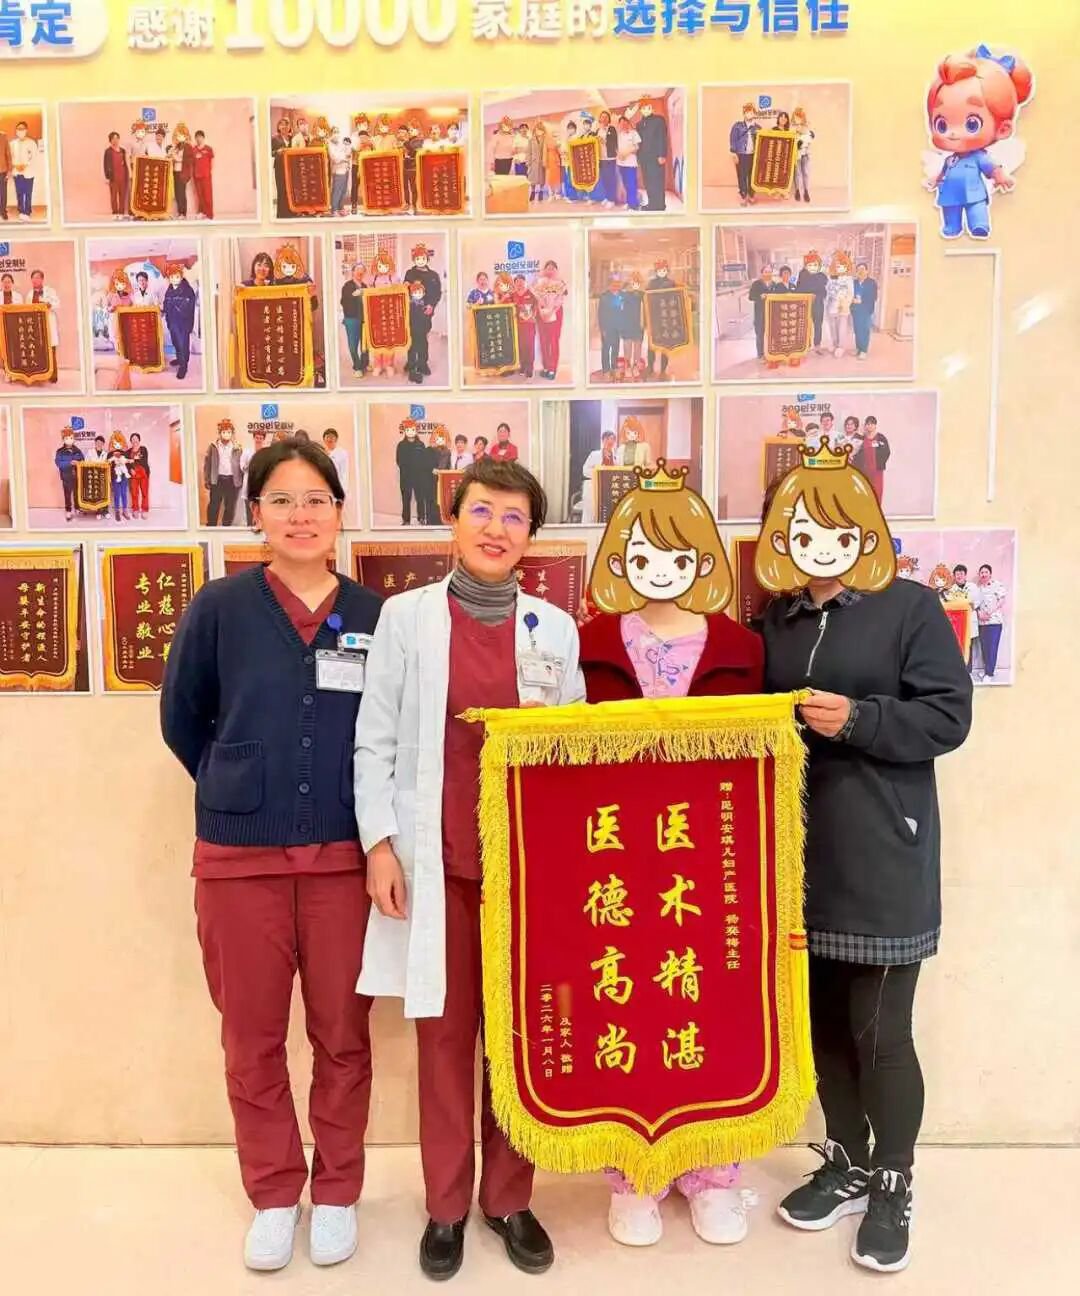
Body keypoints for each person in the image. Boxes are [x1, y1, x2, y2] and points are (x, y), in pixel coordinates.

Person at [353, 457, 583, 1280]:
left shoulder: (554, 630)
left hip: (525, 873)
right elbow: (375, 738)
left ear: (531, 538)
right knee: (445, 1043)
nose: (496, 529)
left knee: (519, 1042)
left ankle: (510, 1199)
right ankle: (446, 1207)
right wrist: (380, 844)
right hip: (436, 866)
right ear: (453, 521)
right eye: (481, 511)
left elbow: (574, 749)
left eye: (514, 517)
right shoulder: (406, 618)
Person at [161, 438, 381, 1273]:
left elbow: (388, 732)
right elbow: (183, 719)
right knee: (251, 1042)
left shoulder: (373, 614)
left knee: (343, 1039)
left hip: (344, 863)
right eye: (281, 500)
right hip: (238, 862)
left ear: (338, 514)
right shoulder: (219, 607)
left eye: (316, 499)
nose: (300, 516)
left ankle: (337, 1192)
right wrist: (240, 782)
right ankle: (274, 1194)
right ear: (255, 515)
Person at [755, 441, 972, 1275]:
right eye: (802, 525)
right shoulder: (775, 618)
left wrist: (860, 720)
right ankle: (846, 1161)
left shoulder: (908, 607)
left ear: (864, 528)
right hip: (796, 864)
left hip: (885, 856)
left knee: (880, 1035)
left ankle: (893, 1180)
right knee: (820, 1033)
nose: (819, 540)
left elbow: (948, 717)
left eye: (836, 524)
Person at [579, 464, 764, 1246]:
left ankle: (713, 1173)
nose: (661, 568)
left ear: (702, 560)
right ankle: (634, 1175)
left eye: (678, 554)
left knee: (712, 1006)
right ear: (620, 559)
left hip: (713, 859)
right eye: (643, 553)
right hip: (617, 857)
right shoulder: (587, 642)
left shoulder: (743, 647)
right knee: (626, 1005)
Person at [925, 48, 1033, 239]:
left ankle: (979, 223)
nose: (952, 133)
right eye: (942, 125)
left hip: (973, 192)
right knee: (950, 209)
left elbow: (992, 168)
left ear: (1003, 129)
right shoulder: (950, 160)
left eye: (971, 124)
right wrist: (935, 179)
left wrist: (1001, 177)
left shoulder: (979, 158)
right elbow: (943, 172)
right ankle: (952, 226)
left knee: (976, 207)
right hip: (950, 192)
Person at [403, 244, 442, 378]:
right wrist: (405, 286)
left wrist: (431, 305)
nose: (420, 260)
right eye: (417, 258)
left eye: (423, 258)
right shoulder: (410, 273)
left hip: (426, 312)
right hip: (411, 312)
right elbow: (405, 290)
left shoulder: (433, 275)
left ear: (427, 259)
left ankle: (422, 363)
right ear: (414, 259)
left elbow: (437, 293)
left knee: (422, 338)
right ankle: (411, 363)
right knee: (412, 338)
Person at [205, 418, 244, 526]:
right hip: (217, 479)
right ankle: (211, 525)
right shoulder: (213, 446)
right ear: (220, 432)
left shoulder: (237, 447)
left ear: (232, 433)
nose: (226, 434)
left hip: (232, 480)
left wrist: (240, 480)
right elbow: (207, 464)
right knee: (214, 504)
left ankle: (226, 527)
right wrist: (207, 479)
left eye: (229, 432)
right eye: (224, 431)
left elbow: (241, 464)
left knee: (230, 505)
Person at [632, 100, 669, 211]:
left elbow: (662, 137)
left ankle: (660, 205)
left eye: (647, 107)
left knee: (657, 181)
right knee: (648, 182)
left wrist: (662, 154)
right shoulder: (639, 124)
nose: (645, 110)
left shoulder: (659, 120)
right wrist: (638, 157)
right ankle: (652, 204)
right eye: (642, 108)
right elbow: (638, 142)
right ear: (640, 110)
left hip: (656, 157)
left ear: (651, 108)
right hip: (644, 158)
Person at [163, 262, 197, 382]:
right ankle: (179, 359)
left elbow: (189, 307)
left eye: (176, 276)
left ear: (181, 276)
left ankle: (184, 366)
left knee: (183, 344)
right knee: (176, 342)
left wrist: (175, 304)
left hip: (183, 323)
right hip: (172, 322)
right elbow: (166, 302)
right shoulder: (169, 289)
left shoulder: (188, 290)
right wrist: (165, 311)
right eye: (171, 277)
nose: (174, 279)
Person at [533, 260, 567, 381]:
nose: (550, 270)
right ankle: (546, 367)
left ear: (556, 270)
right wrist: (541, 308)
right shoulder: (539, 282)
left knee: (553, 341)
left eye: (553, 268)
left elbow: (560, 299)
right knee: (544, 341)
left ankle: (553, 368)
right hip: (542, 313)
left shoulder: (560, 283)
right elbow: (536, 297)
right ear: (544, 270)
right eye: (548, 268)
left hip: (555, 313)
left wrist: (552, 309)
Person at [974, 563, 1006, 681]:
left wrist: (990, 613)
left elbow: (1001, 601)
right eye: (981, 572)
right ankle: (986, 670)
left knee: (992, 648)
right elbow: (975, 604)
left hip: (994, 621)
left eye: (986, 572)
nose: (983, 574)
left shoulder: (997, 585)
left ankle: (990, 674)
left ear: (990, 574)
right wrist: (979, 614)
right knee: (984, 648)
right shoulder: (977, 588)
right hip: (982, 623)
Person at [27, 269, 60, 384]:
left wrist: (48, 304)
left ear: (42, 279)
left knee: (51, 349)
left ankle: (53, 375)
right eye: (33, 278)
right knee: (38, 351)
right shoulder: (29, 294)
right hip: (35, 325)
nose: (35, 280)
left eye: (37, 278)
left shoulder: (50, 291)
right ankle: (40, 374)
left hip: (48, 323)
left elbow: (57, 303)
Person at [396, 418, 430, 526]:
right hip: (406, 477)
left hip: (419, 477)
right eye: (408, 430)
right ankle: (406, 520)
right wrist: (406, 469)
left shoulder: (421, 444)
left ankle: (422, 518)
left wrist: (420, 471)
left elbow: (425, 460)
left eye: (412, 430)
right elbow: (398, 460)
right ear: (405, 431)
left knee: (420, 498)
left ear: (416, 431)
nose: (410, 432)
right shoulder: (401, 445)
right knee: (406, 499)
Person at [580, 430, 617, 523]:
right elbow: (585, 471)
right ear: (603, 440)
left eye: (612, 439)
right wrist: (598, 472)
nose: (610, 442)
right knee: (590, 514)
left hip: (608, 489)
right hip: (593, 487)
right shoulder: (594, 454)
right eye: (607, 439)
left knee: (606, 515)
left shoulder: (617, 457)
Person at [646, 259, 675, 379]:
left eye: (664, 270)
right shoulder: (651, 284)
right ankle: (650, 367)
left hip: (667, 318)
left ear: (667, 270)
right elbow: (647, 298)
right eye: (659, 270)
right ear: (656, 271)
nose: (662, 272)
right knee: (652, 345)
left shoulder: (672, 283)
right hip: (654, 318)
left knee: (665, 346)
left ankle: (663, 369)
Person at [851, 415, 890, 504]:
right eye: (868, 424)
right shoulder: (861, 437)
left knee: (877, 492)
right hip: (863, 471)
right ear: (865, 426)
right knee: (863, 492)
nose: (870, 426)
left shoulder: (881, 437)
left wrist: (879, 464)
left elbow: (887, 452)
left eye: (872, 424)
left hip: (877, 471)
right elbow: (854, 450)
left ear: (875, 425)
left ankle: (876, 511)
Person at [796, 250, 829, 353]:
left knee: (818, 324)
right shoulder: (802, 274)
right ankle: (806, 344)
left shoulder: (822, 276)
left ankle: (817, 345)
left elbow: (824, 291)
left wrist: (818, 296)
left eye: (815, 264)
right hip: (805, 303)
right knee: (805, 324)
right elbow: (799, 288)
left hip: (818, 303)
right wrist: (807, 295)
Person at [340, 262, 369, 377]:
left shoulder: (365, 286)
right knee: (353, 345)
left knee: (365, 344)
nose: (360, 272)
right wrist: (354, 295)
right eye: (357, 269)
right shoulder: (347, 286)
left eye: (362, 270)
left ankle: (365, 364)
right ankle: (357, 367)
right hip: (351, 319)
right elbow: (343, 301)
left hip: (365, 319)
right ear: (353, 272)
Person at [825, 251, 854, 358]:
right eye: (838, 266)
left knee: (842, 327)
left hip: (843, 307)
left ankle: (841, 347)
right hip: (832, 306)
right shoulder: (832, 277)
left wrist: (845, 304)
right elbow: (828, 290)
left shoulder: (848, 279)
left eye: (842, 266)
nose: (840, 268)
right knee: (832, 327)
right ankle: (834, 344)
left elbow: (850, 293)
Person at [729, 101, 759, 206]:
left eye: (751, 112)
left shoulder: (757, 128)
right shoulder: (737, 126)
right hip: (741, 154)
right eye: (747, 112)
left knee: (752, 176)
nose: (749, 114)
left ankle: (751, 195)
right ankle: (743, 195)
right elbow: (733, 139)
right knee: (742, 176)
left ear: (754, 114)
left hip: (753, 155)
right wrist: (734, 153)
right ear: (744, 113)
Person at [54, 425, 84, 521]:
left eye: (71, 438)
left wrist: (78, 463)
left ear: (74, 439)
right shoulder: (60, 451)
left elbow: (82, 460)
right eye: (67, 438)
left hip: (77, 476)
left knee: (77, 493)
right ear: (63, 439)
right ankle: (68, 511)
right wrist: (70, 463)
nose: (69, 440)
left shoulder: (77, 450)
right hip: (66, 476)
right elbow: (58, 463)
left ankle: (77, 508)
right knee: (67, 495)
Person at [511, 275, 538, 380]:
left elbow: (536, 305)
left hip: (529, 325)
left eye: (521, 281)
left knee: (529, 347)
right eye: (517, 281)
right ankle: (522, 366)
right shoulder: (512, 295)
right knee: (520, 347)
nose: (519, 283)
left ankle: (530, 368)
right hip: (517, 326)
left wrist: (533, 315)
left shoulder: (530, 293)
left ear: (524, 282)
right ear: (515, 283)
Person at [406, 278, 433, 385]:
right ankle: (411, 365)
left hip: (422, 330)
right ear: (411, 293)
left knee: (423, 347)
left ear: (423, 293)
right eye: (415, 292)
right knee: (412, 347)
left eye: (419, 292)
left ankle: (423, 365)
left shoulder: (426, 305)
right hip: (412, 329)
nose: (417, 294)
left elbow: (428, 318)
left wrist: (427, 328)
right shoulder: (409, 304)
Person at [748, 263, 777, 360]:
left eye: (769, 272)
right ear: (762, 273)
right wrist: (760, 296)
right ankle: (760, 354)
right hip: (760, 314)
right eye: (766, 272)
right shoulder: (756, 284)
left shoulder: (774, 284)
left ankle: (770, 352)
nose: (768, 274)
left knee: (771, 334)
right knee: (760, 334)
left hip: (771, 314)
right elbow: (751, 297)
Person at [851, 262, 878, 360]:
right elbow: (849, 294)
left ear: (867, 271)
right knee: (857, 330)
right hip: (855, 309)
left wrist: (861, 300)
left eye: (862, 269)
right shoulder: (854, 282)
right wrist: (851, 300)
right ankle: (858, 348)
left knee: (864, 330)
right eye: (858, 269)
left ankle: (863, 350)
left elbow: (874, 297)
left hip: (866, 309)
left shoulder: (872, 282)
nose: (860, 271)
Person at [10, 121, 37, 221]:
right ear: (16, 131)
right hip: (17, 171)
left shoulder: (31, 143)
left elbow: (34, 157)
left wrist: (25, 165)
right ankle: (21, 211)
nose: (20, 131)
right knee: (19, 193)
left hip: (28, 172)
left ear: (26, 130)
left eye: (22, 129)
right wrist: (16, 165)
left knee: (28, 192)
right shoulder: (12, 144)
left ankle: (27, 211)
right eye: (18, 129)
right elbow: (10, 157)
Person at [597, 275, 623, 377]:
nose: (616, 285)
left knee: (616, 348)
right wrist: (602, 328)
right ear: (610, 284)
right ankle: (606, 369)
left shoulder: (622, 296)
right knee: (606, 348)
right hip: (607, 327)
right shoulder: (604, 297)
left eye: (618, 283)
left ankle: (614, 367)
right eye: (614, 283)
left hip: (617, 327)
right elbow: (601, 314)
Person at [614, 115, 641, 210]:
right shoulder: (618, 135)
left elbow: (637, 147)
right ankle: (630, 202)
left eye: (625, 123)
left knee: (631, 184)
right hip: (621, 163)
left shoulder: (633, 133)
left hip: (630, 163)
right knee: (626, 183)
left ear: (628, 123)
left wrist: (626, 153)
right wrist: (619, 154)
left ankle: (633, 205)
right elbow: (616, 148)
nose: (623, 125)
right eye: (621, 123)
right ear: (619, 125)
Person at [103, 131, 130, 221]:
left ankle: (121, 212)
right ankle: (115, 213)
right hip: (113, 177)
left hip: (123, 176)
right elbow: (105, 164)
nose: (115, 140)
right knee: (114, 196)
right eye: (113, 139)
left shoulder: (123, 150)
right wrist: (107, 177)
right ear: (110, 140)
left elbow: (125, 163)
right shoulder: (108, 151)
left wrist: (128, 174)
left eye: (117, 138)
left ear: (119, 139)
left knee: (123, 195)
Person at [170, 124, 195, 220]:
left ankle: (183, 213)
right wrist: (172, 156)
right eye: (178, 135)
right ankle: (179, 212)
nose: (180, 137)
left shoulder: (188, 147)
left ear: (186, 136)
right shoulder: (177, 146)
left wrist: (177, 159)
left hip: (183, 173)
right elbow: (173, 157)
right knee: (177, 193)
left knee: (181, 193)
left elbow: (190, 160)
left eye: (182, 135)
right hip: (175, 172)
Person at [271, 116, 293, 219]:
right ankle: (282, 214)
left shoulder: (292, 138)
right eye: (281, 124)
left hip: (291, 168)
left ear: (289, 127)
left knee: (290, 190)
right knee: (281, 190)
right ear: (278, 127)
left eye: (286, 124)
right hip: (280, 168)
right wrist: (277, 152)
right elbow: (270, 152)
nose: (284, 126)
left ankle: (291, 212)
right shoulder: (275, 138)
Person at [107, 431, 132, 522]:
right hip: (115, 477)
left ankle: (125, 510)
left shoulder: (125, 453)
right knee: (117, 494)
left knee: (124, 493)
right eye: (115, 442)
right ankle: (117, 511)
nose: (117, 444)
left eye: (119, 442)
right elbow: (108, 465)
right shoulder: (110, 454)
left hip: (124, 476)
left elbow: (128, 464)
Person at [792, 107, 814, 203]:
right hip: (796, 154)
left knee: (805, 173)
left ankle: (806, 191)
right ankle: (797, 190)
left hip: (805, 154)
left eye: (799, 117)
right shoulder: (793, 127)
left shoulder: (806, 126)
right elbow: (792, 139)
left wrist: (803, 140)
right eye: (796, 117)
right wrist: (798, 142)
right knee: (797, 173)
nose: (798, 119)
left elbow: (810, 137)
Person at [597, 110, 619, 206]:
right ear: (600, 119)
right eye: (602, 116)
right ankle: (607, 196)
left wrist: (604, 141)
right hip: (601, 159)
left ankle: (612, 199)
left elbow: (614, 142)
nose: (604, 118)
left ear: (608, 119)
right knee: (604, 179)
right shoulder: (597, 131)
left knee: (611, 179)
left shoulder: (612, 129)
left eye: (606, 117)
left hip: (610, 158)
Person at [329, 127, 352, 216]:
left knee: (343, 190)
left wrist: (346, 153)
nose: (336, 134)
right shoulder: (330, 144)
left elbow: (348, 154)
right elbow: (335, 158)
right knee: (337, 190)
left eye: (337, 132)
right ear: (331, 134)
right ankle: (334, 209)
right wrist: (343, 157)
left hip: (345, 169)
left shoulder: (341, 143)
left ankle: (341, 208)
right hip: (338, 170)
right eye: (334, 132)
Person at [127, 431, 150, 519]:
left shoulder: (143, 449)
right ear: (131, 441)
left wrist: (133, 460)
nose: (134, 441)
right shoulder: (128, 452)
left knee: (144, 492)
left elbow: (144, 460)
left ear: (139, 440)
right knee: (134, 493)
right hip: (133, 474)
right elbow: (126, 463)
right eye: (133, 439)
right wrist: (130, 469)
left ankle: (144, 510)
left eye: (136, 439)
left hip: (143, 473)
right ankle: (135, 509)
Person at [192, 130, 214, 219]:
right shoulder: (194, 150)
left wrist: (209, 171)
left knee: (207, 195)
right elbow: (192, 163)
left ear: (203, 138)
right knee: (200, 196)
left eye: (200, 137)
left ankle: (209, 214)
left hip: (206, 176)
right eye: (197, 137)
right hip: (197, 176)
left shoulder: (208, 149)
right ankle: (202, 212)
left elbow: (212, 161)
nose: (198, 139)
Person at [526, 122, 550, 202]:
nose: (539, 132)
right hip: (533, 162)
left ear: (543, 131)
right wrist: (528, 162)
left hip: (542, 161)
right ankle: (532, 192)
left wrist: (545, 161)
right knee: (532, 178)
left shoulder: (545, 139)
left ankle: (541, 191)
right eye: (537, 130)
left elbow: (547, 151)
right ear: (534, 130)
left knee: (542, 178)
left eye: (540, 130)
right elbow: (528, 152)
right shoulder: (531, 140)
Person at [321, 428, 349, 493]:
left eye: (332, 437)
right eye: (327, 437)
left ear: (336, 439)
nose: (329, 439)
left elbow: (344, 472)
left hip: (338, 487)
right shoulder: (321, 452)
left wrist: (343, 489)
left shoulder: (341, 453)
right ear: (324, 439)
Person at [0, 123, 9, 221]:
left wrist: (9, 170)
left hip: (2, 170)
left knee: (3, 192)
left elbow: (8, 153)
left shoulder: (3, 136)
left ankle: (3, 211)